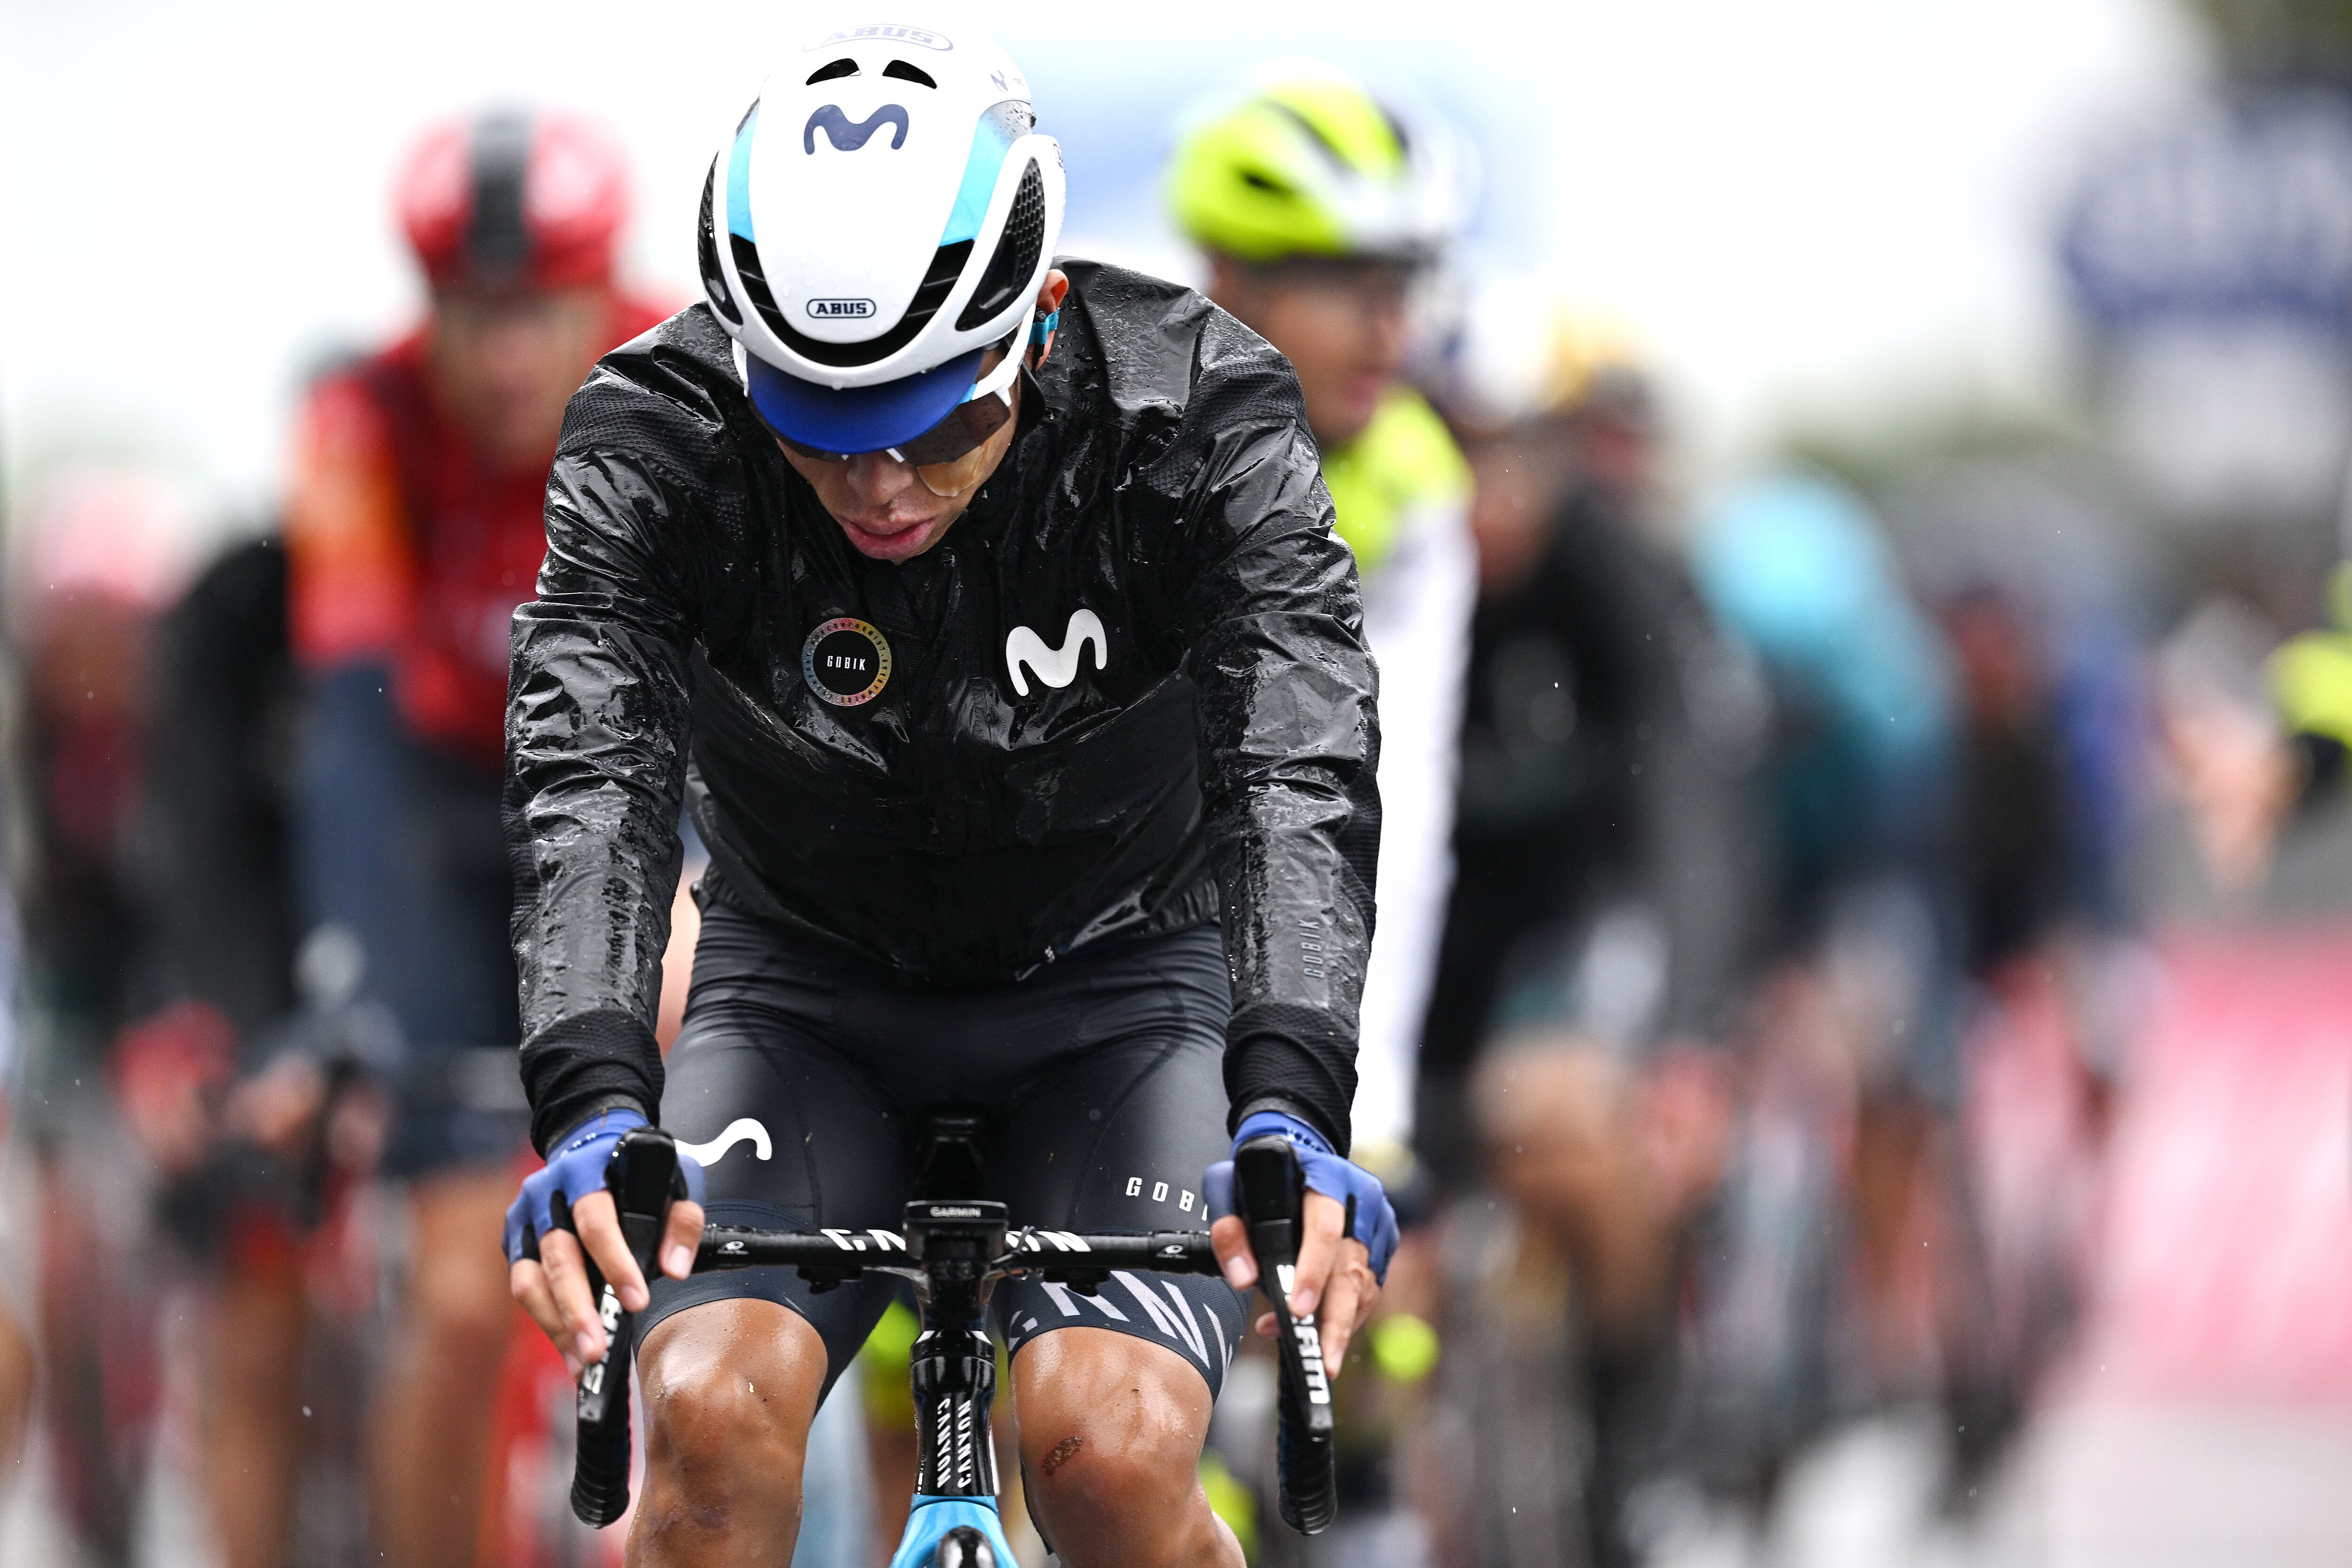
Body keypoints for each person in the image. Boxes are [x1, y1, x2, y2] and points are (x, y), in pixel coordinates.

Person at [497, 22, 1399, 1568]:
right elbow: (595, 764)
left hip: (1126, 990)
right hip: (805, 1000)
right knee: (707, 1421)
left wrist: (1295, 1088)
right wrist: (587, 1093)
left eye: (942, 421)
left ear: (1038, 317)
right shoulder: (656, 433)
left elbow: (1295, 755)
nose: (883, 486)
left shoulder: (1197, 409)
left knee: (1109, 1453)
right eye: (826, 433)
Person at [279, 108, 668, 1568]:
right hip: (451, 836)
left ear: (604, 288)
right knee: (457, 1289)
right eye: (472, 315)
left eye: (542, 312)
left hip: (653, 809)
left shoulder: (686, 386)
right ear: (424, 307)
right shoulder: (357, 426)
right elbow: (355, 744)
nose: (510, 358)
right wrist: (358, 992)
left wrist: (701, 912)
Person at [1166, 63, 1476, 1161]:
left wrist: (1367, 1099)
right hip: (1096, 963)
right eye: (1348, 281)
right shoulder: (1118, 437)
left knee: (1359, 1309)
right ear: (1227, 275)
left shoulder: (1413, 486)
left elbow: (1393, 796)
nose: (1392, 329)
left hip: (1302, 965)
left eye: (1408, 282)